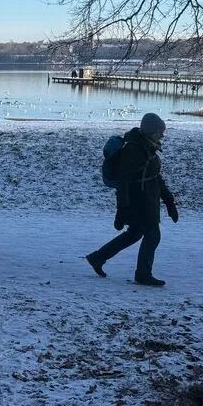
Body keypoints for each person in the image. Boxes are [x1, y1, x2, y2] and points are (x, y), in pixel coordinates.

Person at [84, 113, 177, 287]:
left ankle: (97, 257)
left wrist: (169, 201)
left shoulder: (148, 146)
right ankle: (143, 274)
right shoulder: (134, 150)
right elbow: (123, 181)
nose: (162, 135)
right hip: (139, 200)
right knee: (152, 234)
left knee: (134, 234)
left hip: (148, 198)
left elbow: (156, 177)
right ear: (150, 131)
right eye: (159, 132)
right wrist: (122, 209)